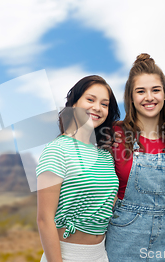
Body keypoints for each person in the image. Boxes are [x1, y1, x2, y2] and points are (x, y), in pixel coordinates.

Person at [105, 53, 165, 261]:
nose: (149, 97)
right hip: (123, 237)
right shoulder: (114, 134)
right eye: (141, 91)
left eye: (155, 90)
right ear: (130, 97)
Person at [36, 75, 120, 262]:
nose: (97, 108)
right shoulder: (57, 150)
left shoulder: (105, 156)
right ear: (73, 104)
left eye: (104, 104)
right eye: (90, 100)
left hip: (101, 255)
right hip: (66, 255)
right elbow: (44, 219)